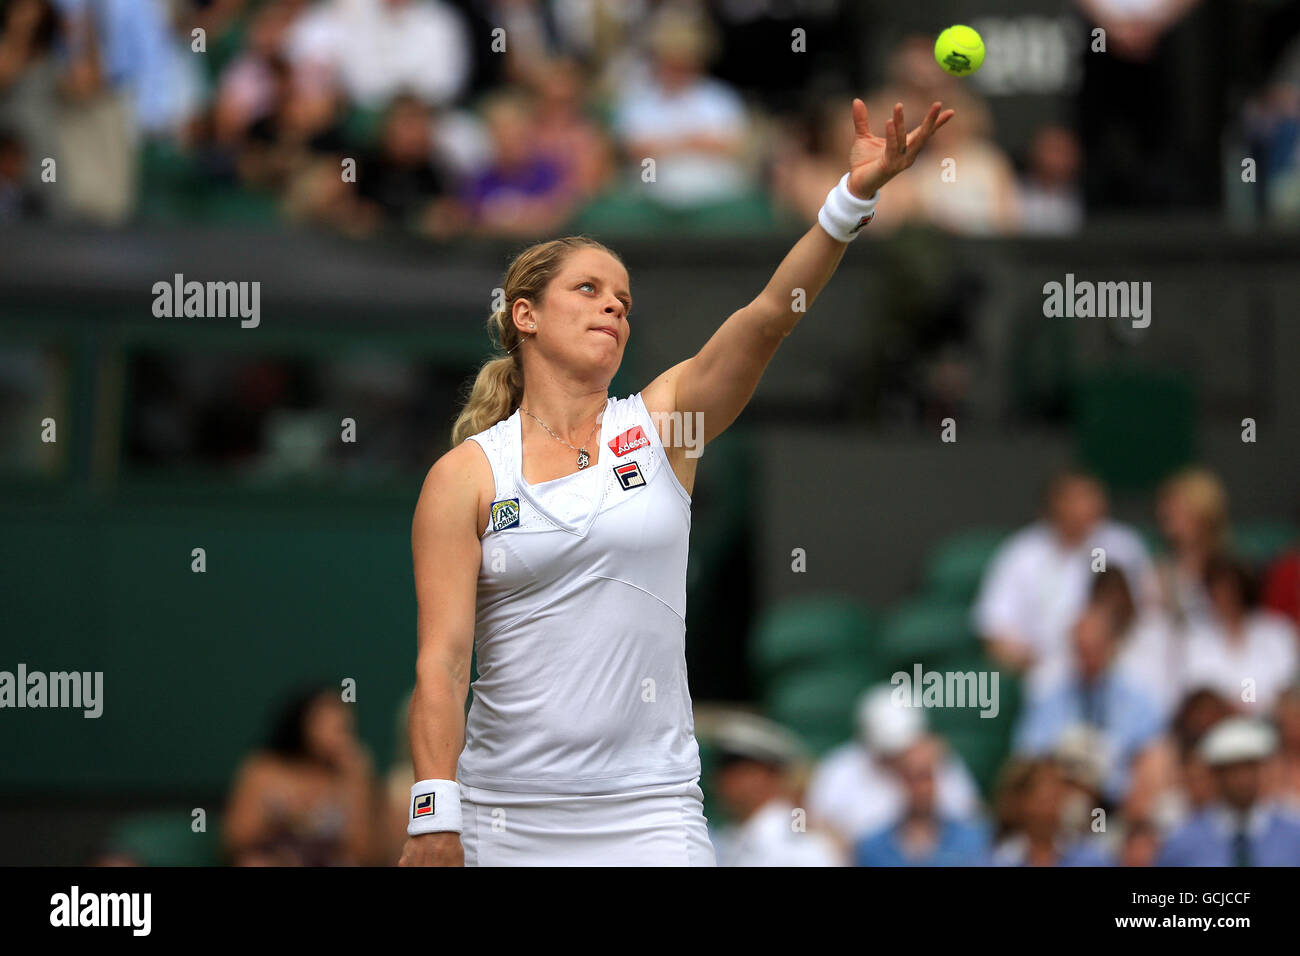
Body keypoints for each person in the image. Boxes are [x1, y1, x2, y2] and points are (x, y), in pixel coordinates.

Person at [399, 92, 955, 866]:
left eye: (623, 300)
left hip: (650, 811)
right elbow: (444, 661)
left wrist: (850, 196)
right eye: (588, 290)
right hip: (505, 816)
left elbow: (768, 316)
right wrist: (434, 812)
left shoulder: (661, 427)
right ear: (524, 316)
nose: (613, 308)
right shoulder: (464, 477)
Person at [973, 469, 1155, 697]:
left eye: (1092, 496)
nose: (1089, 505)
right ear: (1055, 504)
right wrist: (1036, 664)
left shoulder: (1122, 547)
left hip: (1119, 664)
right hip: (1049, 671)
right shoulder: (1023, 553)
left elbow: (1148, 613)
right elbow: (994, 632)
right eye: (1078, 498)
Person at [1013, 574, 1164, 803]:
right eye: (1080, 649)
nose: (1087, 658)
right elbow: (1028, 754)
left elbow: (1151, 757)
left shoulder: (1137, 699)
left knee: (1157, 760)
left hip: (1119, 803)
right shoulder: (1050, 699)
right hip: (1062, 803)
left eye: (1094, 648)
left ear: (1111, 647)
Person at [224, 684, 384, 866]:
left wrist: (358, 783)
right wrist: (284, 817)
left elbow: (366, 855)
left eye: (343, 727)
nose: (337, 735)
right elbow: (235, 840)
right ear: (302, 723)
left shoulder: (354, 774)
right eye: (325, 724)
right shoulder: (264, 768)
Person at [805, 684, 981, 848]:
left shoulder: (940, 763)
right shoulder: (838, 770)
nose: (896, 758)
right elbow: (814, 829)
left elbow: (969, 820)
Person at [1157, 717, 1300, 865]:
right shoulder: (1183, 843)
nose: (1243, 780)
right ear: (1215, 776)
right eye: (1232, 771)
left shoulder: (1294, 837)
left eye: (1250, 768)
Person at [708, 713, 843, 866]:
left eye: (734, 770)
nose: (720, 780)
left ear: (766, 775)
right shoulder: (729, 837)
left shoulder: (800, 844)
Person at [1181, 555, 1299, 712]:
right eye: (1217, 591)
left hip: (1274, 723)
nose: (1225, 598)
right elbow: (1197, 694)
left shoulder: (1278, 632)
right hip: (1218, 729)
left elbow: (1288, 688)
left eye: (1230, 590)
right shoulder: (1194, 640)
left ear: (1242, 590)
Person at [854, 736, 990, 866]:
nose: (920, 788)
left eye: (925, 777)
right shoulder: (872, 848)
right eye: (910, 777)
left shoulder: (973, 840)